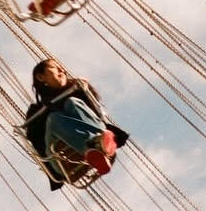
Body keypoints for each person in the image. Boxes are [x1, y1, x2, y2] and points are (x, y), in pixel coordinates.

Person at [24, 58, 130, 189]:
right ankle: (93, 147)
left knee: (72, 102)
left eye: (61, 67)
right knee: (54, 118)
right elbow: (35, 140)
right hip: (61, 158)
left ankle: (97, 146)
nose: (62, 70)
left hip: (95, 139)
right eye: (54, 67)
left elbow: (95, 113)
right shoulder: (36, 111)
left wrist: (84, 89)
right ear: (41, 77)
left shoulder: (76, 91)